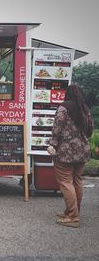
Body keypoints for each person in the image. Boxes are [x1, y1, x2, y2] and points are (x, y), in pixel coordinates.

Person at [47, 83, 93, 228]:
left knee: (66, 182)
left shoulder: (63, 108)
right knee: (76, 181)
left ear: (67, 93)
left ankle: (73, 216)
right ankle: (72, 212)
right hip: (82, 151)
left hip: (65, 152)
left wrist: (52, 145)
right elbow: (90, 130)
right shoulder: (85, 109)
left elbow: (57, 129)